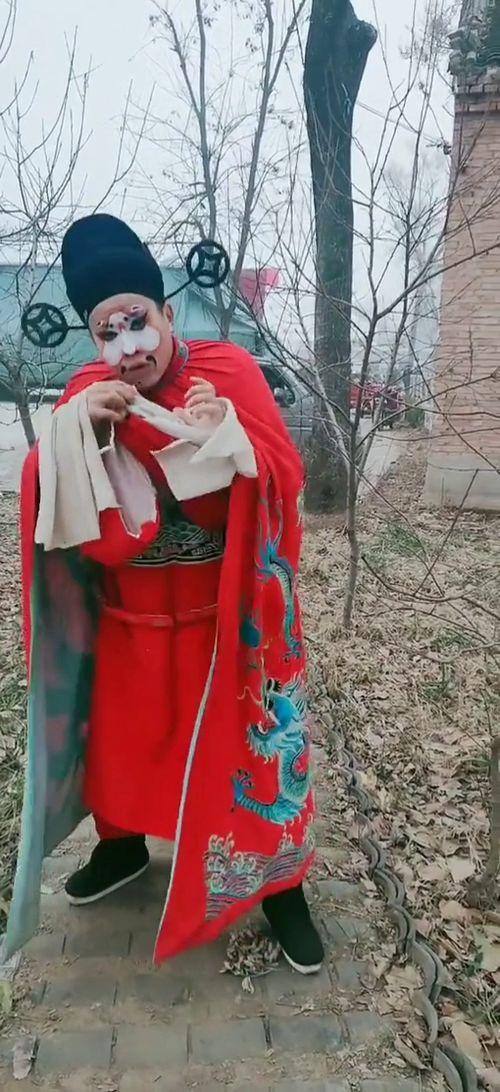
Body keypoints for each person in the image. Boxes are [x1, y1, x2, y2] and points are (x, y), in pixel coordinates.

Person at [7, 214, 324, 976]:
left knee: (251, 759)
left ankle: (281, 886)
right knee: (125, 753)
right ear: (91, 338)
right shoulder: (86, 395)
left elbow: (284, 478)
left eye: (139, 322)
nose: (130, 347)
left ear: (169, 313)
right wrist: (77, 435)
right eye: (108, 332)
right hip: (131, 622)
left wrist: (225, 438)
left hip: (227, 624)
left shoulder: (231, 373)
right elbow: (47, 496)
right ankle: (121, 849)